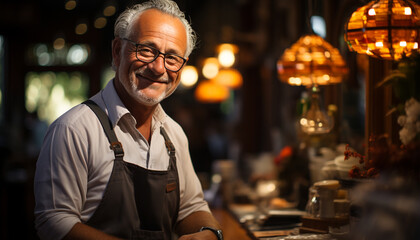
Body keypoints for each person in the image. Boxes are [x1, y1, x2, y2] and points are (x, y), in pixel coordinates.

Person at [33, 0, 223, 239]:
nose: (158, 67)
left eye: (173, 58)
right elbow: (54, 222)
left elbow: (192, 207)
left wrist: (211, 233)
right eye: (146, 49)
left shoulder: (173, 134)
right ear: (117, 51)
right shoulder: (73, 129)